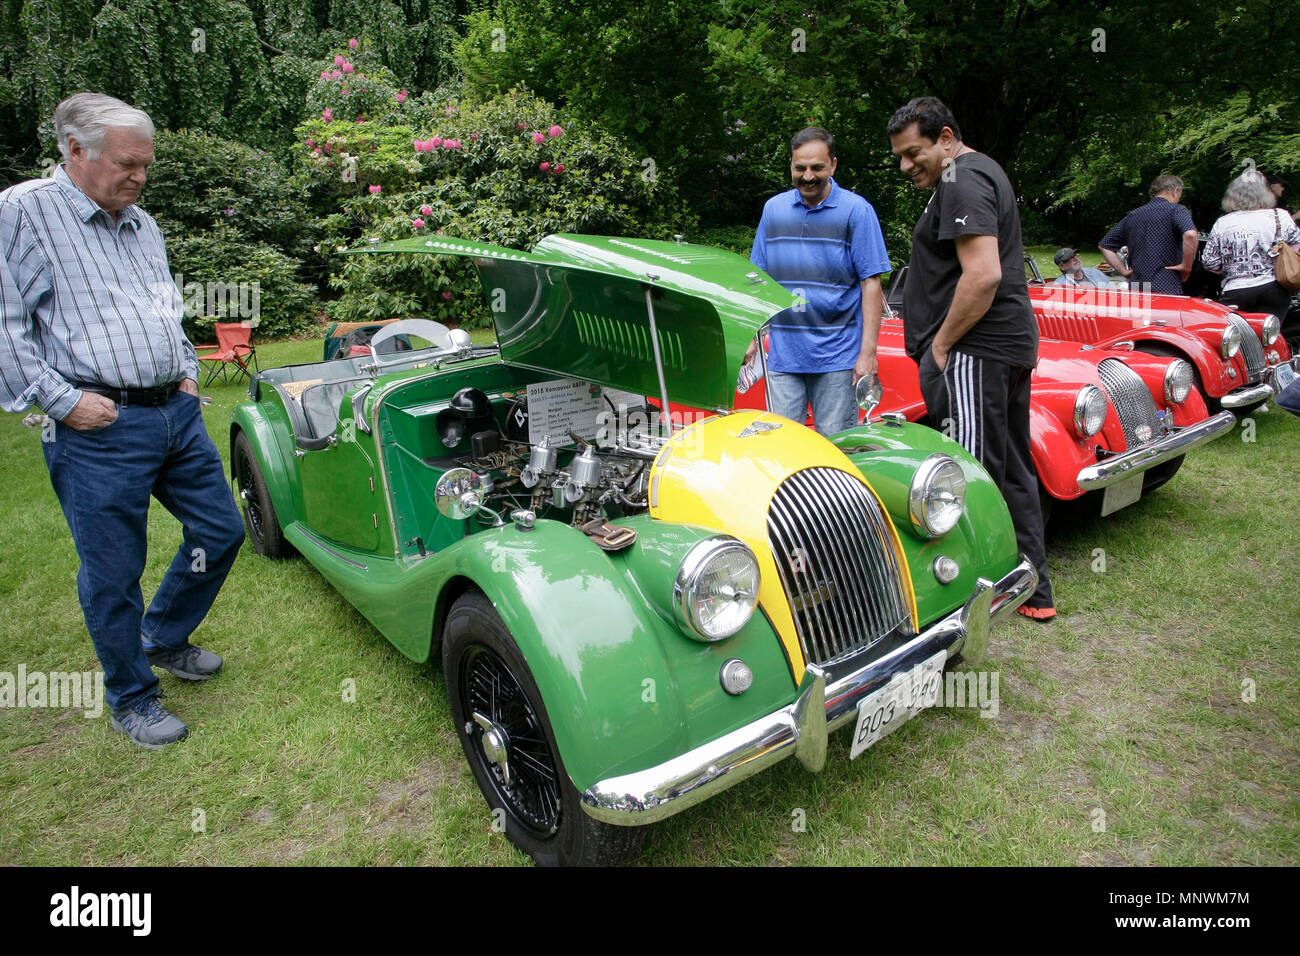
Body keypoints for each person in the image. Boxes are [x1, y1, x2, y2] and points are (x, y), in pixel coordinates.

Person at [0, 93, 245, 749]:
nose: (139, 177)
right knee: (112, 571)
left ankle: (162, 636)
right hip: (97, 426)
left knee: (221, 529)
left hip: (175, 411)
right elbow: (8, 326)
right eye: (127, 164)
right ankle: (133, 698)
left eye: (145, 165)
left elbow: (166, 307)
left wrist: (188, 368)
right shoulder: (22, 213)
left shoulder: (143, 223)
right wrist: (61, 401)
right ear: (75, 151)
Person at [885, 96, 1055, 621]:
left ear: (946, 137)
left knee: (966, 475)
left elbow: (983, 275)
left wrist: (939, 347)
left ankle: (967, 600)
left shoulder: (962, 177)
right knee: (1009, 467)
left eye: (914, 153)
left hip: (977, 351)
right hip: (1000, 347)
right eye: (899, 157)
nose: (906, 166)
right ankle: (1031, 588)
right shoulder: (976, 173)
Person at [749, 127, 891, 436]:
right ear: (791, 166)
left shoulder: (857, 211)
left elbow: (871, 283)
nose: (808, 176)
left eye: (817, 167)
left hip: (838, 357)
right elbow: (758, 279)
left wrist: (868, 354)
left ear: (833, 165)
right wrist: (750, 336)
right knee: (783, 447)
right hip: (783, 356)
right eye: (800, 167)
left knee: (835, 448)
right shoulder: (774, 210)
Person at [1201, 170, 1300, 317]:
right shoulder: (1280, 216)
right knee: (1269, 336)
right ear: (1266, 192)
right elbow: (1296, 247)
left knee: (1236, 337)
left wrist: (1231, 267)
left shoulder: (1223, 223)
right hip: (1275, 288)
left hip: (1236, 290)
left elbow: (1209, 262)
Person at [1098, 174, 1198, 294]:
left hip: (1137, 284)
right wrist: (1186, 266)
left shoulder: (1133, 215)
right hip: (1165, 282)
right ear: (1175, 191)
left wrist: (1124, 271)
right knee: (1164, 313)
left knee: (1139, 313)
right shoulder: (1176, 210)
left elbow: (1105, 245)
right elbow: (1191, 234)